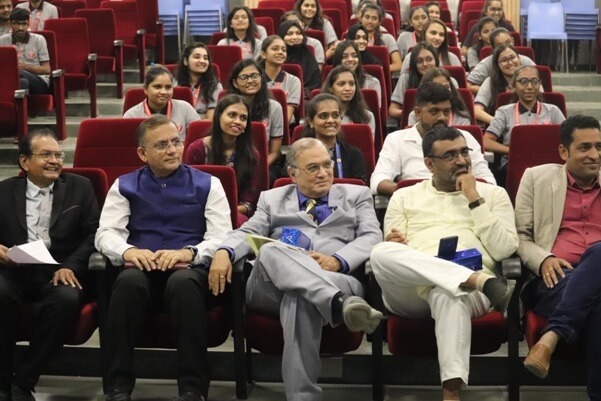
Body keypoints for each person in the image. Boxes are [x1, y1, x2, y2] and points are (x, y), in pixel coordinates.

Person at [210, 137, 383, 401]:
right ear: (292, 174)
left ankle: (302, 397)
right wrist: (224, 251)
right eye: (313, 168)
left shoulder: (356, 195)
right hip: (271, 287)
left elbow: (372, 236)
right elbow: (247, 232)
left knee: (300, 296)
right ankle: (337, 302)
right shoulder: (271, 199)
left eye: (327, 165)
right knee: (269, 249)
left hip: (337, 276)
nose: (323, 173)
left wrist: (337, 260)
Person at [370, 125, 518, 401]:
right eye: (450, 156)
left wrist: (474, 199)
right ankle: (476, 280)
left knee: (448, 291)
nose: (461, 161)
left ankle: (451, 394)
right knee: (380, 252)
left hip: (470, 294)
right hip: (413, 293)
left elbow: (505, 248)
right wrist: (395, 243)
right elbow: (396, 250)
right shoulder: (404, 195)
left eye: (464, 152)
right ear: (429, 164)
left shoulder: (493, 194)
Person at [96, 116, 232, 401]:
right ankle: (117, 388)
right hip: (142, 269)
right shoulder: (124, 185)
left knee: (183, 284)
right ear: (142, 153)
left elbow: (222, 236)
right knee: (127, 282)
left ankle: (193, 390)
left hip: (190, 272)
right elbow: (106, 233)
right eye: (161, 145)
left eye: (176, 142)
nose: (172, 150)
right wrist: (128, 251)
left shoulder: (210, 184)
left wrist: (189, 252)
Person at [0, 129, 99, 401]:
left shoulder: (80, 187)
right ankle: (1, 383)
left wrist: (72, 266)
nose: (55, 161)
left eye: (58, 155)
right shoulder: (4, 191)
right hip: (14, 270)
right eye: (46, 155)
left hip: (59, 270)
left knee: (67, 299)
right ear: (24, 162)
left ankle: (24, 380)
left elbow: (94, 233)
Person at [515, 115, 601, 401]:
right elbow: (521, 236)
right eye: (585, 147)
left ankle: (551, 336)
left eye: (599, 147)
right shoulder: (536, 178)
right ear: (564, 152)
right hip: (555, 279)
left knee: (599, 253)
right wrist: (543, 259)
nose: (594, 155)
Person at [372, 82, 495, 196]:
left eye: (446, 112)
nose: (442, 118)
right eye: (434, 111)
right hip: (416, 203)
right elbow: (378, 181)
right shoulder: (396, 139)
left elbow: (488, 180)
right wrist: (408, 192)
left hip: (460, 200)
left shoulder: (465, 138)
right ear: (418, 113)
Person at [185, 94, 260, 224]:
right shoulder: (197, 149)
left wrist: (226, 211)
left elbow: (248, 202)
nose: (238, 121)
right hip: (200, 210)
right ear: (218, 116)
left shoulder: (251, 155)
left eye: (243, 118)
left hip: (235, 213)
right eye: (232, 115)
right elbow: (188, 191)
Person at [484, 65, 565, 180]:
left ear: (539, 84)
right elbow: (486, 141)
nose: (530, 87)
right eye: (523, 81)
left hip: (547, 164)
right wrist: (512, 150)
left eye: (534, 81)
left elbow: (569, 139)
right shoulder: (504, 112)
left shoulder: (553, 111)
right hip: (515, 163)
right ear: (514, 85)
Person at [227, 59, 284, 167]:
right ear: (235, 83)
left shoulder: (274, 107)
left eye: (254, 76)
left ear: (262, 79)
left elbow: (275, 152)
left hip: (263, 163)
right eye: (244, 77)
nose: (250, 81)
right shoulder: (227, 107)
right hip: (232, 162)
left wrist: (260, 168)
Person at [301, 93, 367, 182]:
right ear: (310, 122)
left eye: (335, 115)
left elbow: (360, 188)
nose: (331, 120)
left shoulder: (353, 155)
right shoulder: (299, 154)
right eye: (323, 116)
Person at [123, 65, 199, 140]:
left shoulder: (185, 108)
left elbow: (198, 138)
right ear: (145, 89)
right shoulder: (132, 115)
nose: (163, 92)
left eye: (168, 87)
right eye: (157, 87)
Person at [467, 27, 536, 94]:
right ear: (493, 48)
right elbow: (468, 85)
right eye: (500, 45)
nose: (505, 47)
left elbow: (537, 81)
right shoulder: (486, 63)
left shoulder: (525, 61)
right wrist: (489, 91)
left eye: (508, 42)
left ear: (513, 41)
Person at [0, 8, 51, 95]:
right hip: (13, 80)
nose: (20, 28)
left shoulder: (39, 40)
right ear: (10, 24)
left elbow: (47, 69)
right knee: (23, 82)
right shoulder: (2, 40)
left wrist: (25, 67)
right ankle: (20, 104)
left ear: (28, 24)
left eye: (24, 24)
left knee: (19, 72)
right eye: (16, 24)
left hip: (39, 82)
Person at [389, 42, 441, 120]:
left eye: (429, 59)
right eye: (419, 61)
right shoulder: (406, 78)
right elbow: (392, 110)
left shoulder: (445, 79)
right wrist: (413, 114)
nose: (425, 64)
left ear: (436, 60)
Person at [322, 65, 376, 139]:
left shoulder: (367, 116)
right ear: (330, 88)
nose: (348, 88)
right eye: (341, 84)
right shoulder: (321, 116)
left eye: (351, 84)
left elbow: (367, 144)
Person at [474, 44, 522, 125]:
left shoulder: (530, 78)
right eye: (504, 60)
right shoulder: (490, 82)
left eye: (513, 57)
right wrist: (499, 123)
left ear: (519, 59)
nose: (510, 62)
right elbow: (476, 111)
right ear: (497, 65)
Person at [407, 67, 472, 126]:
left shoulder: (462, 117)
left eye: (446, 87)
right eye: (437, 87)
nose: (443, 91)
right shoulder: (415, 115)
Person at [259, 35, 302, 122]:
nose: (280, 52)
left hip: (284, 126)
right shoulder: (256, 80)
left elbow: (287, 118)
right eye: (275, 49)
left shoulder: (293, 81)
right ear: (263, 54)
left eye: (284, 50)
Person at [175, 42, 222, 120]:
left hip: (202, 125)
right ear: (185, 61)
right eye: (197, 57)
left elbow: (210, 119)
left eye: (205, 58)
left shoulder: (215, 86)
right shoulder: (174, 84)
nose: (202, 61)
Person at [332, 40, 382, 107]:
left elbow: (375, 110)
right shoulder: (330, 81)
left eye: (354, 56)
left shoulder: (372, 82)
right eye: (345, 56)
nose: (350, 59)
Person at [277, 20, 321, 93]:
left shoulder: (308, 57)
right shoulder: (276, 56)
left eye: (298, 33)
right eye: (289, 34)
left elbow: (314, 86)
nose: (295, 37)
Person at [360, 3, 402, 73]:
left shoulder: (388, 38)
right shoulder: (352, 37)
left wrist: (378, 70)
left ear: (379, 22)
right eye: (367, 17)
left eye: (374, 18)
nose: (370, 21)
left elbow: (398, 65)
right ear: (361, 19)